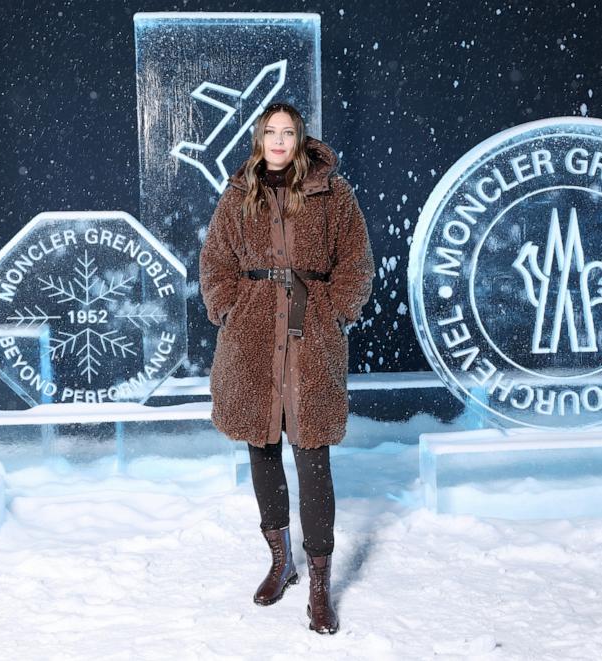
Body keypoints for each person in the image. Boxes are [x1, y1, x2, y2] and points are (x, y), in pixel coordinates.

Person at [199, 102, 374, 634]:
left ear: (301, 138)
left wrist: (336, 312)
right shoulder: (238, 195)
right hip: (252, 337)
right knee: (262, 447)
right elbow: (215, 262)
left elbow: (357, 262)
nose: (278, 141)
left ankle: (320, 583)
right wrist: (229, 309)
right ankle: (280, 562)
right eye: (269, 132)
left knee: (312, 457)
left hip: (310, 336)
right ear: (258, 139)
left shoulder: (334, 194)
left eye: (288, 132)